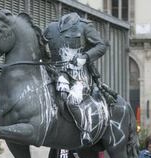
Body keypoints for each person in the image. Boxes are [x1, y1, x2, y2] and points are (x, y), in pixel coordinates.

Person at [43, 12, 107, 145]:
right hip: (57, 73)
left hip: (79, 76)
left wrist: (85, 57)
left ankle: (86, 131)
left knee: (72, 101)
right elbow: (41, 46)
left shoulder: (84, 26)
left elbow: (101, 46)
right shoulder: (51, 27)